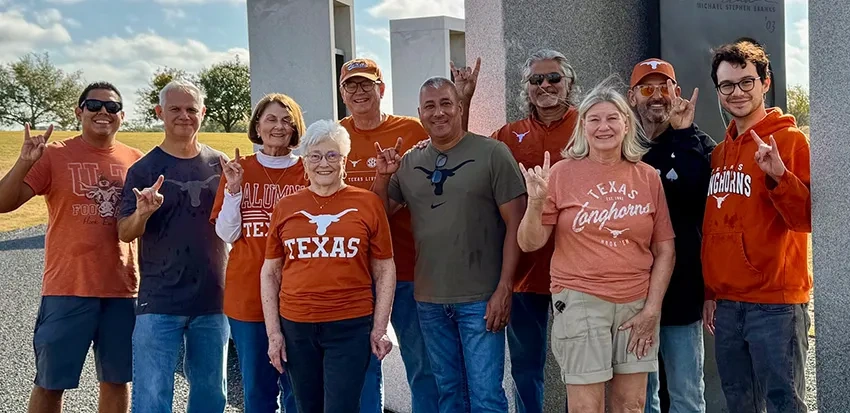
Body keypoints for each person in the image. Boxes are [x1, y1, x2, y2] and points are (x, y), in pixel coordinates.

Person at [517, 79, 676, 413]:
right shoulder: (561, 174)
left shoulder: (647, 176)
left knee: (631, 405)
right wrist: (536, 203)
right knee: (586, 407)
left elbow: (665, 249)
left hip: (636, 305)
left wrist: (652, 309)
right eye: (594, 119)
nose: (604, 127)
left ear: (626, 124)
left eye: (612, 118)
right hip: (580, 300)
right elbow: (530, 242)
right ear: (583, 127)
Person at [372, 76, 527, 413]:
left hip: (480, 298)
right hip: (428, 301)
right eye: (430, 106)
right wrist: (383, 176)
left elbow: (517, 224)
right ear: (420, 113)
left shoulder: (493, 153)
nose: (438, 112)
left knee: (486, 396)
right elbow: (380, 218)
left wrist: (505, 288)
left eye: (445, 103)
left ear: (459, 108)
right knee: (449, 394)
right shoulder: (409, 162)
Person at [0, 82, 141, 413]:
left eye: (111, 107)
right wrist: (24, 162)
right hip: (67, 289)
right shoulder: (55, 155)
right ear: (79, 111)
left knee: (117, 381)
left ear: (122, 116)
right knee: (51, 382)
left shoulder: (136, 160)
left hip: (122, 290)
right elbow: (4, 203)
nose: (103, 112)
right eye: (94, 105)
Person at [456, 49, 579, 413]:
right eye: (536, 80)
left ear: (569, 82)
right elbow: (467, 157)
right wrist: (465, 101)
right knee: (526, 368)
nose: (545, 86)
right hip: (525, 272)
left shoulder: (589, 126)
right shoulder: (509, 135)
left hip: (580, 270)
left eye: (553, 77)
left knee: (582, 366)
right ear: (525, 89)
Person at [701, 39, 811, 413]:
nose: (737, 92)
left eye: (746, 81)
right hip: (729, 306)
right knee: (740, 404)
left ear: (765, 83)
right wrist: (711, 292)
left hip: (775, 305)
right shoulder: (720, 152)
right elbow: (716, 227)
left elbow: (806, 220)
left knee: (784, 404)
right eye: (727, 85)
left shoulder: (789, 140)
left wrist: (780, 175)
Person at [260, 119, 395, 413]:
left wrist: (380, 327)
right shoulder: (286, 207)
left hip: (350, 325)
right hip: (297, 325)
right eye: (316, 156)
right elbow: (270, 272)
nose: (324, 163)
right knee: (306, 407)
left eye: (333, 155)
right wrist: (274, 334)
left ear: (344, 160)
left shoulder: (367, 204)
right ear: (304, 162)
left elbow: (385, 269)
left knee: (341, 407)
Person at [117, 79, 229, 413]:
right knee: (152, 396)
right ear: (159, 113)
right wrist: (142, 214)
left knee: (211, 395)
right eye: (175, 109)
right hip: (159, 300)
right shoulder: (144, 170)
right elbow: (124, 232)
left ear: (203, 113)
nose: (184, 116)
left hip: (214, 298)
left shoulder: (220, 164)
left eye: (191, 109)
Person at [337, 57, 439, 413]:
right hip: (354, 272)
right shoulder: (335, 137)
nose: (360, 91)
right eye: (352, 85)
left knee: (422, 363)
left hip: (409, 265)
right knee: (363, 363)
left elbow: (450, 156)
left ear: (382, 89)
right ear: (342, 93)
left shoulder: (413, 131)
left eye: (367, 84)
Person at [211, 94, 308, 412]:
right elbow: (227, 233)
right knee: (257, 390)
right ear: (256, 125)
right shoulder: (239, 170)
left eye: (286, 120)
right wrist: (235, 189)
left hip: (299, 296)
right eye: (271, 119)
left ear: (295, 129)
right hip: (248, 295)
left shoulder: (309, 170)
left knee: (299, 389)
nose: (279, 126)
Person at [627, 58, 714, 413]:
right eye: (647, 89)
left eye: (664, 87)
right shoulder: (622, 148)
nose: (656, 96)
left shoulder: (699, 144)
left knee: (686, 397)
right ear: (632, 98)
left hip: (682, 292)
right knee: (642, 399)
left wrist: (682, 134)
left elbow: (700, 202)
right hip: (632, 293)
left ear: (676, 92)